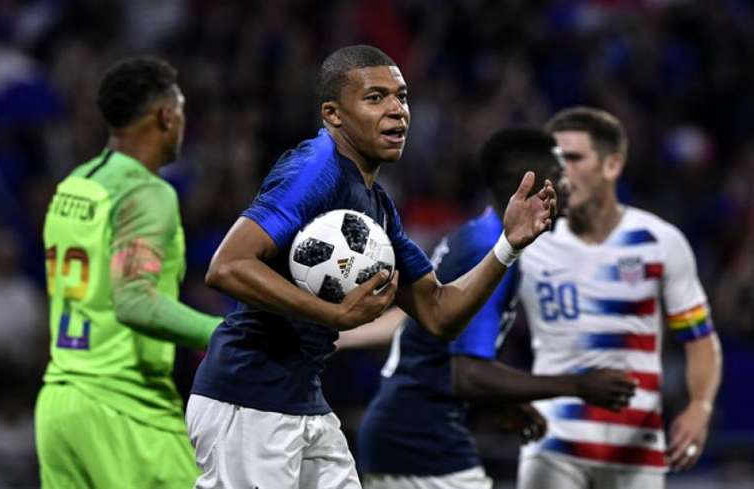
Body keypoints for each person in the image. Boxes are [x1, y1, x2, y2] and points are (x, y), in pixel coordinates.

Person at [186, 45, 556, 489]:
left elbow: (439, 312)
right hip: (246, 400)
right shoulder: (316, 168)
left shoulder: (377, 206)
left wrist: (508, 245)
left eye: (401, 97)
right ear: (333, 113)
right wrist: (332, 316)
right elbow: (227, 265)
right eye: (376, 97)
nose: (397, 111)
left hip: (302, 399)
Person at [344, 128, 637, 489]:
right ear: (524, 182)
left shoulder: (476, 234)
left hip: (410, 432)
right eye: (559, 176)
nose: (568, 187)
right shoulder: (489, 249)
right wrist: (579, 384)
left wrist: (502, 400)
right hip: (420, 439)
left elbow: (426, 335)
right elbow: (464, 372)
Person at [35, 57, 222, 489]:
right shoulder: (146, 192)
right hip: (124, 408)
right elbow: (134, 299)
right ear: (166, 115)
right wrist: (226, 332)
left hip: (59, 406)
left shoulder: (74, 185)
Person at [516, 107, 723, 489]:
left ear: (612, 165)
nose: (560, 170)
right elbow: (463, 320)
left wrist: (699, 407)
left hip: (635, 452)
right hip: (553, 445)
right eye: (554, 160)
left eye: (574, 158)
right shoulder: (527, 245)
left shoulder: (660, 242)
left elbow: (699, 338)